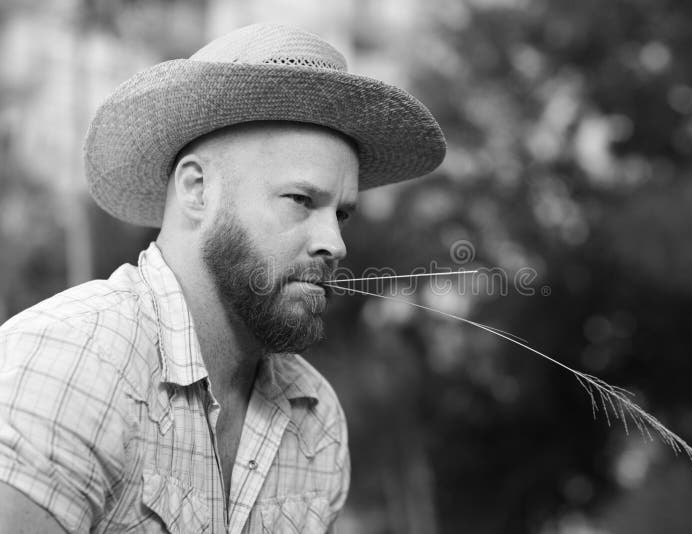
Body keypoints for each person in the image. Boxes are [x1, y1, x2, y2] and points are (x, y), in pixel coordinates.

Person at [0, 24, 445, 533]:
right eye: (301, 200)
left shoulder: (314, 420)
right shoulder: (70, 362)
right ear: (197, 189)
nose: (335, 243)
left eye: (341, 214)